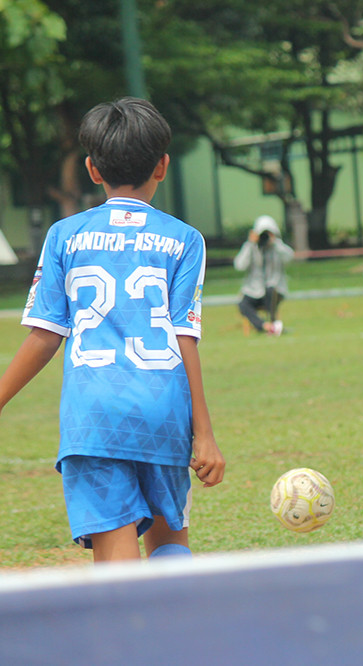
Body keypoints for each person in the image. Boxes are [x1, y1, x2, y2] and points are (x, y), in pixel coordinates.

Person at [0, 97, 225, 562]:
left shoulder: (65, 235)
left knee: (118, 574)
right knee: (169, 548)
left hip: (93, 418)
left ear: (92, 169)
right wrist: (204, 433)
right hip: (163, 412)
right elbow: (185, 336)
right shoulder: (184, 239)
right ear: (163, 166)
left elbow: (44, 336)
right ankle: (176, 634)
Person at [234, 214, 294, 336]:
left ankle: (274, 324)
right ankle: (264, 326)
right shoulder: (252, 248)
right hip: (254, 290)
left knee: (271, 290)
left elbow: (290, 257)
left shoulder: (278, 248)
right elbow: (239, 265)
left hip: (274, 290)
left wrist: (275, 242)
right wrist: (250, 244)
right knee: (242, 304)